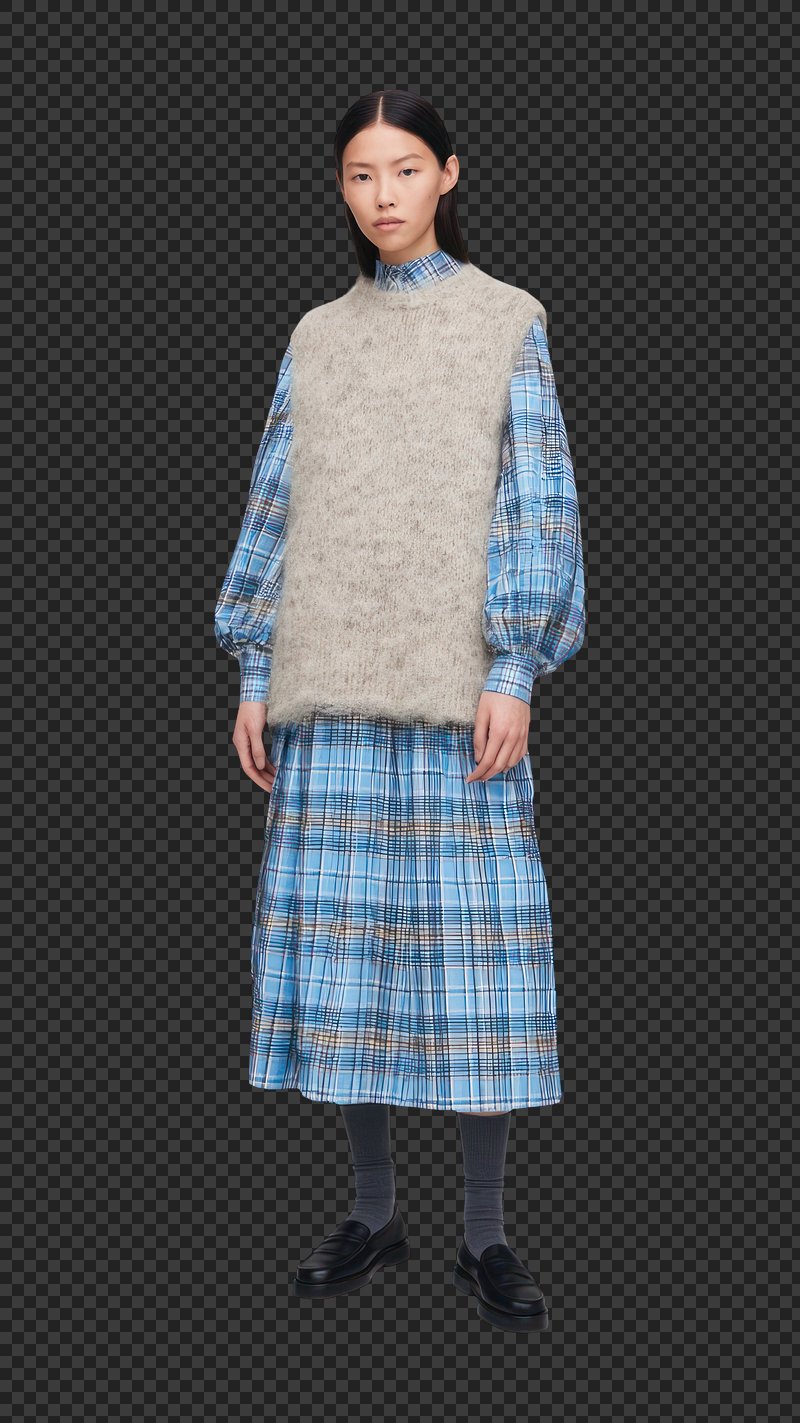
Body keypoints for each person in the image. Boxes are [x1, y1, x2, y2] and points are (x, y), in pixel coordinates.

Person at [214, 89, 585, 1332]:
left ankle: (483, 1233)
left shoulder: (504, 320)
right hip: (325, 688)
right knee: (346, 966)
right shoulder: (316, 334)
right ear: (341, 187)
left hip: (454, 695)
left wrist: (511, 666)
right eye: (361, 174)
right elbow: (275, 500)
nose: (383, 194)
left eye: (406, 169)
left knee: (477, 966)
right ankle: (374, 1213)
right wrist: (255, 666)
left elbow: (536, 499)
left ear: (448, 175)